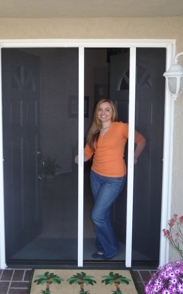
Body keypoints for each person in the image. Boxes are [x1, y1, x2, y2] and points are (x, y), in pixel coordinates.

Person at [75, 99, 146, 260]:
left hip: (114, 178)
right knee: (103, 214)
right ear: (97, 113)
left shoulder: (122, 128)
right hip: (95, 176)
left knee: (97, 215)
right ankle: (102, 247)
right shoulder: (94, 131)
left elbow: (141, 140)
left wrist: (134, 156)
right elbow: (89, 151)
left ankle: (112, 247)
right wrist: (82, 157)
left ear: (112, 112)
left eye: (107, 109)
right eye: (100, 109)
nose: (103, 113)